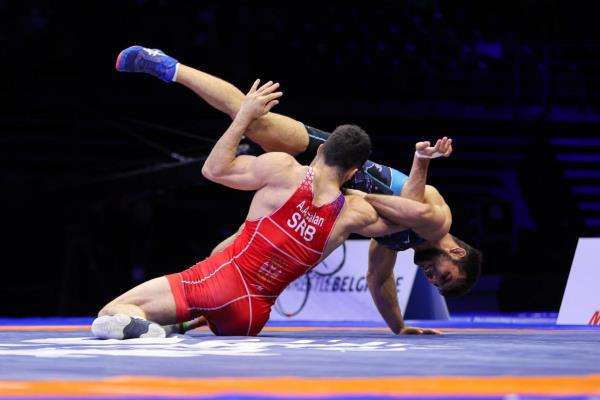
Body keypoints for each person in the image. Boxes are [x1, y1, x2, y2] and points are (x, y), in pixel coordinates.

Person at [114, 46, 482, 334]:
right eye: (445, 276)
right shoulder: (438, 223)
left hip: (328, 195)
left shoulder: (393, 244)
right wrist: (416, 162)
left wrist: (399, 327)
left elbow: (378, 279)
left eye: (437, 286)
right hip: (332, 162)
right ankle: (169, 67)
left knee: (225, 253)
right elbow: (415, 208)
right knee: (253, 119)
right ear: (455, 251)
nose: (433, 279)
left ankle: (186, 316)